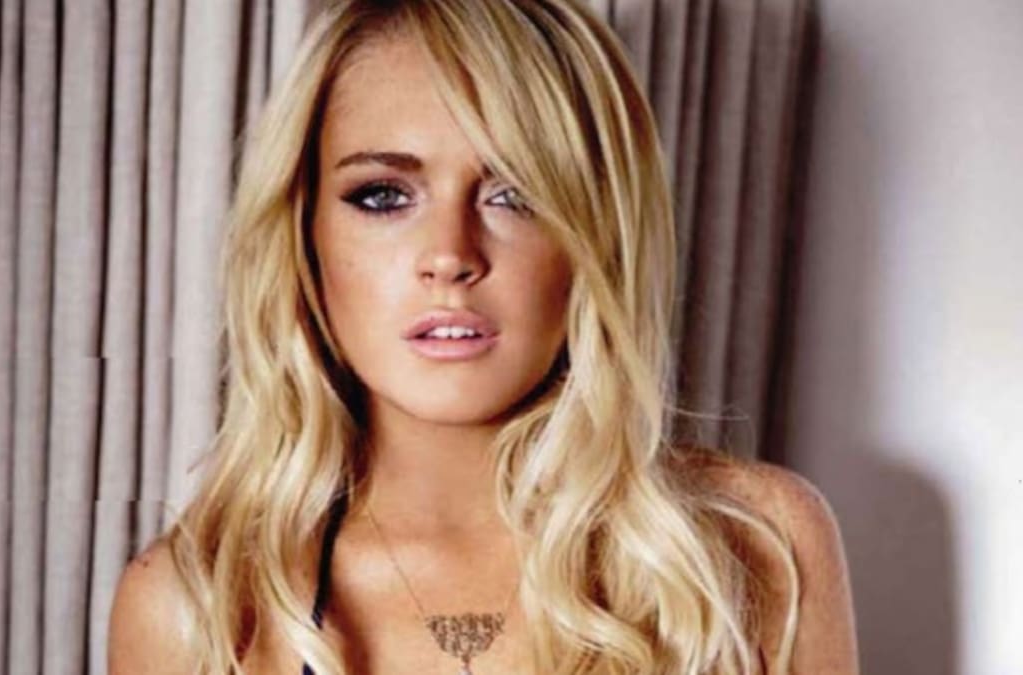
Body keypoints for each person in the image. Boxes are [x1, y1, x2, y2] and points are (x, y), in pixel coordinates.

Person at [108, 0, 858, 673]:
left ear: (597, 237)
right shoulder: (193, 607)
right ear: (305, 235)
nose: (450, 255)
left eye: (515, 194)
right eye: (383, 195)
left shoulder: (755, 547)